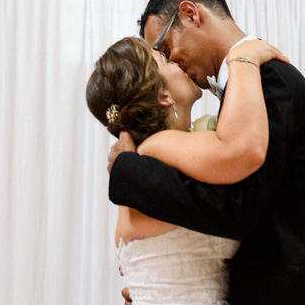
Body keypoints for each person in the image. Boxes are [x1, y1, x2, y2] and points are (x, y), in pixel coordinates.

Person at [108, 0, 305, 305]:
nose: (172, 65)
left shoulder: (268, 78)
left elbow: (236, 208)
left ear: (190, 15)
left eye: (166, 50)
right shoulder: (242, 91)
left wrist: (126, 168)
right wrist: (154, 281)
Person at [87, 33, 287, 304]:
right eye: (165, 61)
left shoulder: (149, 160)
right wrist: (243, 59)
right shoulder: (158, 150)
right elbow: (241, 148)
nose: (178, 63)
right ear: (164, 96)